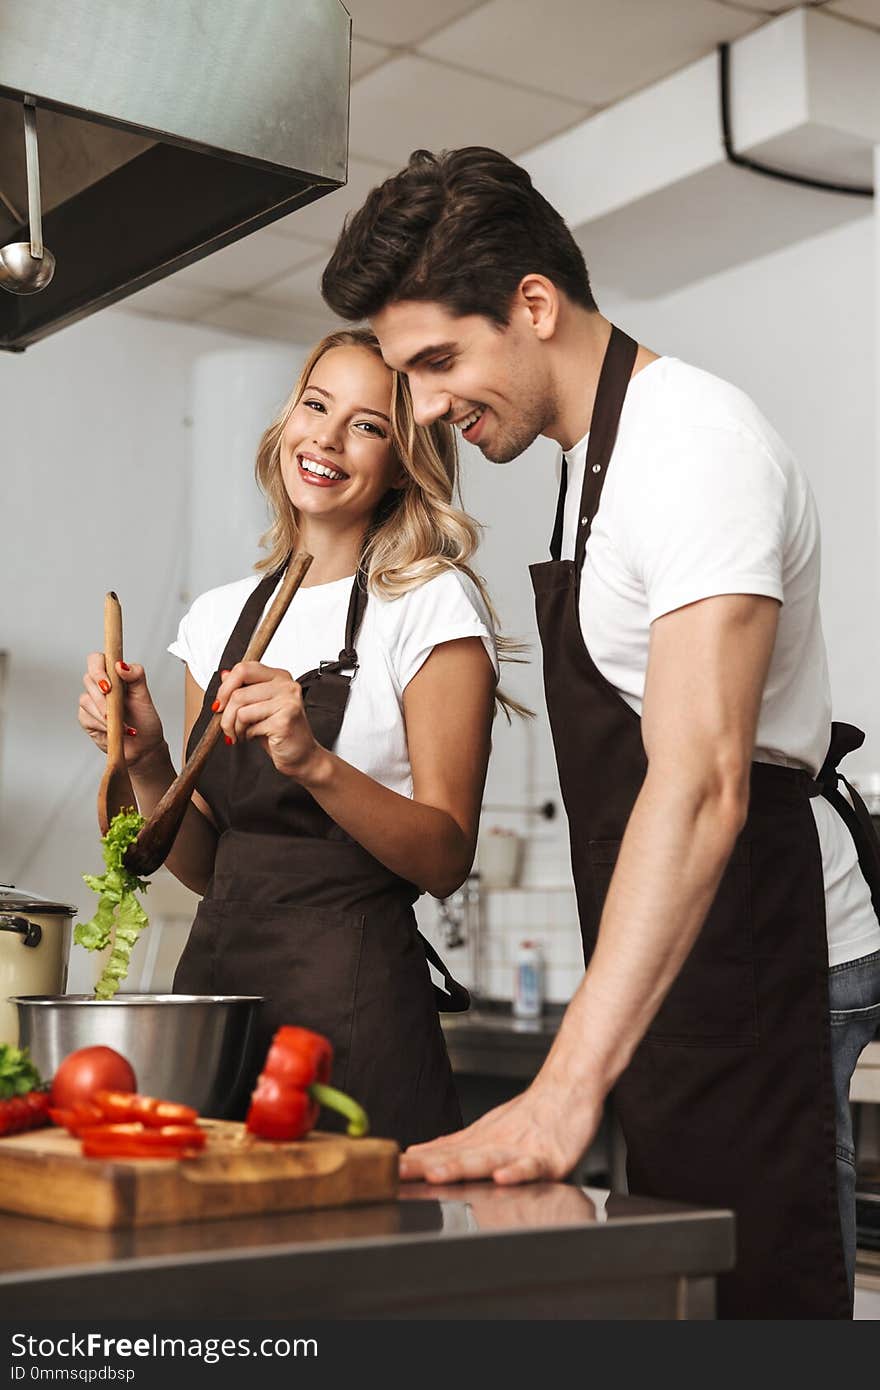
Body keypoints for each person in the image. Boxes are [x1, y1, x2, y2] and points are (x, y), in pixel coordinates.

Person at [320, 147, 880, 1318]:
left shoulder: (692, 448)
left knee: (768, 1293)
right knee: (699, 1293)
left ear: (533, 304)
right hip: (701, 961)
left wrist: (569, 1081)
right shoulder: (593, 464)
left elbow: (700, 784)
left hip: (771, 955)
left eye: (437, 362)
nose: (423, 407)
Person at [77, 326, 513, 1148]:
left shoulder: (431, 606)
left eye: (368, 424)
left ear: (403, 460)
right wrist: (146, 759)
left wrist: (314, 763)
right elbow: (212, 869)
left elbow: (447, 857)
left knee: (346, 1265)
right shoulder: (215, 621)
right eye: (317, 405)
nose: (328, 436)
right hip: (215, 1004)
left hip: (351, 1013)